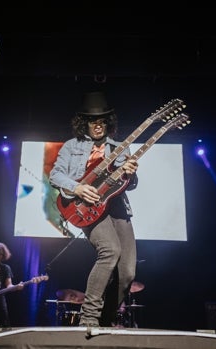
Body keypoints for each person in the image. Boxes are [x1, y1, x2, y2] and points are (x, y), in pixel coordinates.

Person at [49, 91, 139, 328]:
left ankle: (107, 319)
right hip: (87, 207)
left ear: (108, 123)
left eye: (102, 121)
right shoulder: (71, 146)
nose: (97, 126)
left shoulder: (120, 147)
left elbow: (132, 185)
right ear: (83, 123)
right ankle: (88, 318)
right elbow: (55, 175)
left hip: (118, 208)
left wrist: (131, 173)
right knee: (109, 250)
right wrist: (77, 188)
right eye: (92, 121)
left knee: (128, 272)